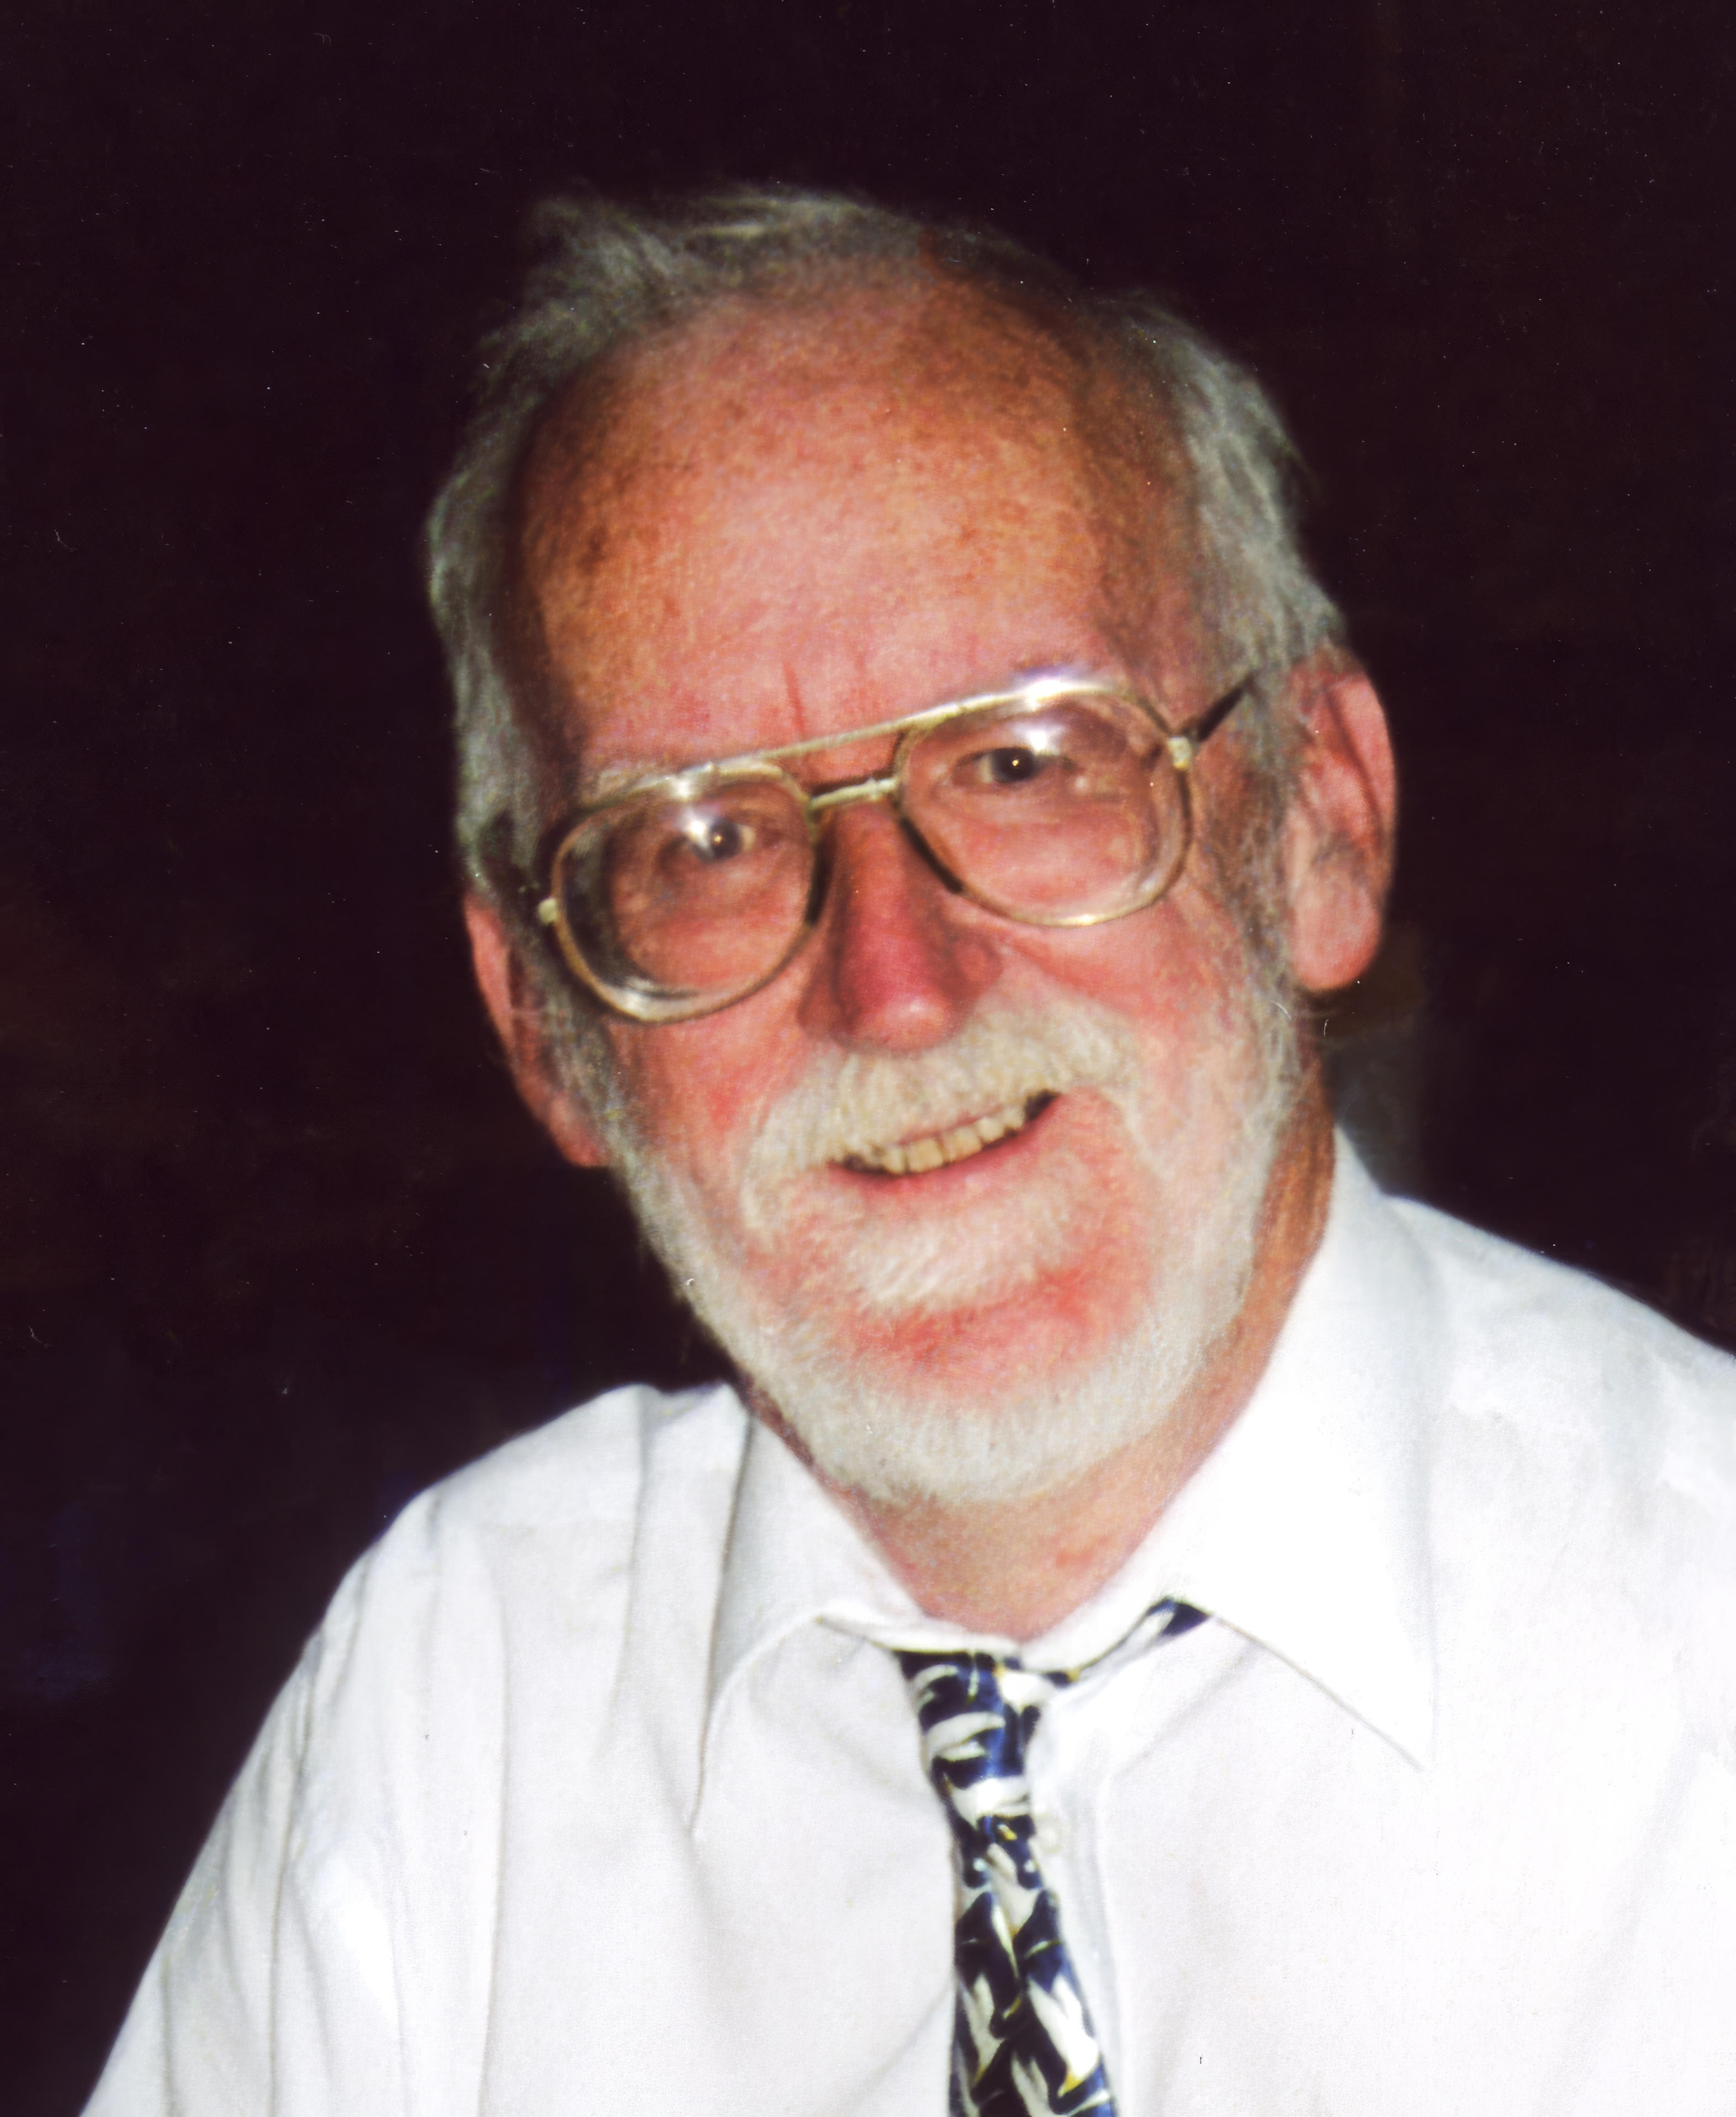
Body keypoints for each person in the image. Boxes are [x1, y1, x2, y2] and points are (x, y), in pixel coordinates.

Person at [87, 189, 1736, 2117]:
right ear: (544, 1020)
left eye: (1024, 759)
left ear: (1318, 821)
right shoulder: (458, 1708)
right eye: (705, 841)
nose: (895, 984)